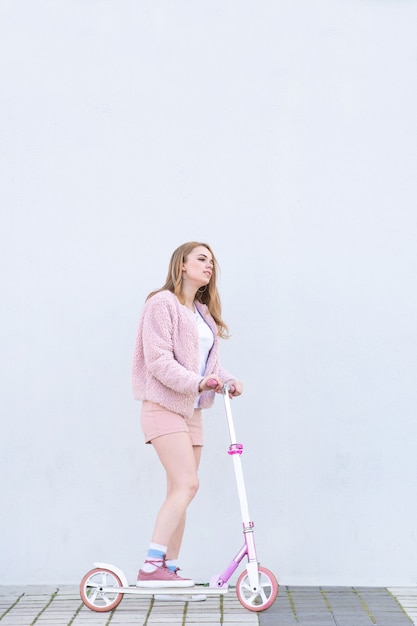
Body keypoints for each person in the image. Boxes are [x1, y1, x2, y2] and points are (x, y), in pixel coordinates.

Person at [132, 241, 243, 588]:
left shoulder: (201, 311)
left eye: (212, 261)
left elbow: (210, 364)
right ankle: (151, 564)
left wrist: (225, 380)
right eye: (201, 259)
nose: (209, 266)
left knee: (180, 490)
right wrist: (199, 382)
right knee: (187, 483)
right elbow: (159, 361)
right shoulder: (161, 303)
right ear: (182, 264)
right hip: (162, 406)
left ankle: (169, 567)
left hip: (191, 412)